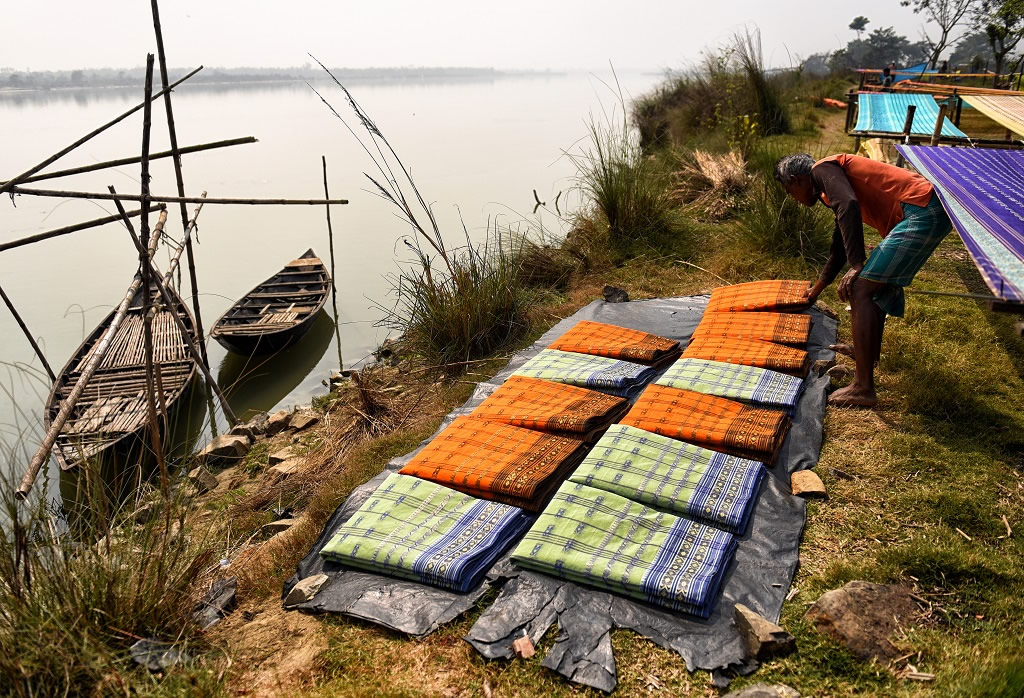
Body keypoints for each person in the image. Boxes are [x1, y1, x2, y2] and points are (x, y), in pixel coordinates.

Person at [773, 153, 953, 407]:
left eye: (789, 191)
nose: (794, 199)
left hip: (921, 209)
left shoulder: (822, 169)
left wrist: (857, 264)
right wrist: (816, 290)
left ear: (795, 180)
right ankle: (864, 354)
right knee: (872, 287)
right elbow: (840, 244)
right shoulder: (826, 188)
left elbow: (848, 204)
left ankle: (863, 387)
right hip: (921, 209)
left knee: (860, 288)